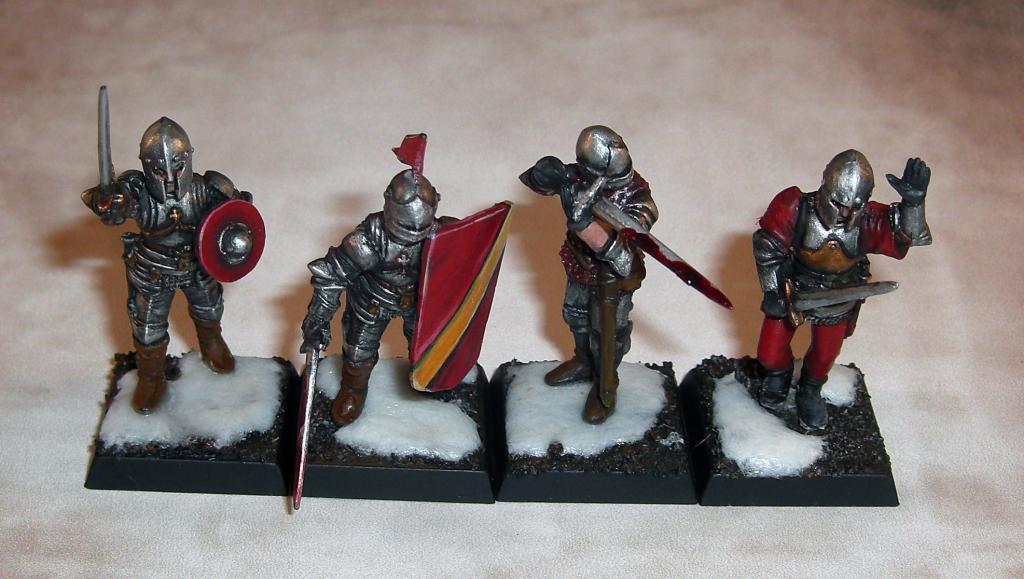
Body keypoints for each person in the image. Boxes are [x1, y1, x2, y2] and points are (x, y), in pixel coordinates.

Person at [82, 117, 253, 414]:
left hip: (197, 265)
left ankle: (212, 344)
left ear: (189, 158)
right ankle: (151, 377)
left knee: (209, 309)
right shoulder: (138, 191)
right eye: (160, 170)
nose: (171, 180)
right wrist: (108, 201)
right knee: (148, 327)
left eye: (178, 166)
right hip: (153, 270)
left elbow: (239, 214)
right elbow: (117, 202)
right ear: (147, 167)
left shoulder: (207, 188)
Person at [753, 150, 932, 430]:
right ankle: (778, 376)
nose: (846, 212)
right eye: (839, 204)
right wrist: (773, 290)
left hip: (841, 295)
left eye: (854, 207)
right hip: (795, 291)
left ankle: (809, 391)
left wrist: (913, 205)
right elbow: (767, 247)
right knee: (769, 352)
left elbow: (908, 238)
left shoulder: (869, 219)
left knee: (824, 356)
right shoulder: (795, 206)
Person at [520, 126, 658, 424]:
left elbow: (625, 244)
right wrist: (546, 175)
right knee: (575, 315)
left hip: (613, 276)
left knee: (607, 333)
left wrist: (584, 225)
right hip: (579, 264)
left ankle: (606, 386)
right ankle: (583, 361)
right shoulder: (581, 178)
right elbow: (536, 183)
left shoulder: (638, 198)